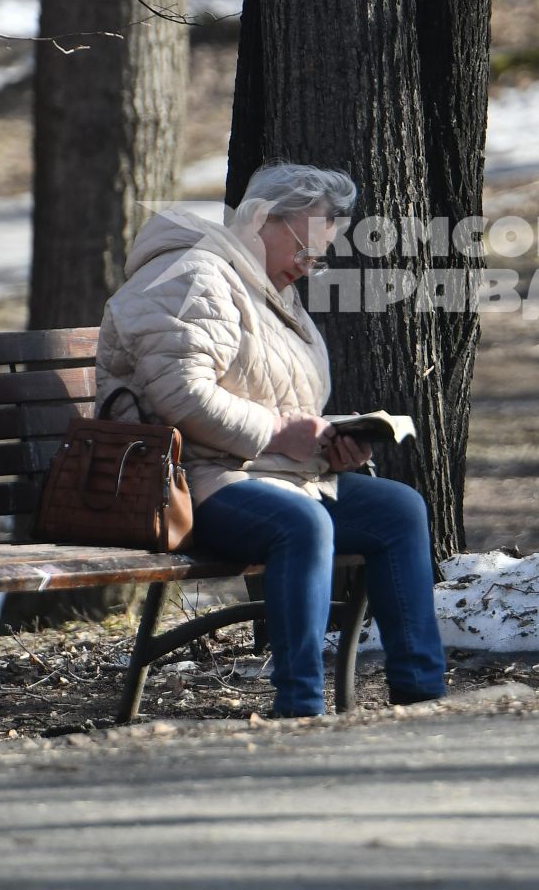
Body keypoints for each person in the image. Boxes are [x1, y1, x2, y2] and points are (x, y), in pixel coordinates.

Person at [95, 162, 447, 717]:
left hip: (268, 473)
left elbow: (273, 394)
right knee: (301, 525)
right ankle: (300, 707)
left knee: (399, 509)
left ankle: (421, 694)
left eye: (318, 258)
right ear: (262, 219)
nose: (306, 269)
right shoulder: (193, 275)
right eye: (303, 251)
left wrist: (330, 441)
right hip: (187, 482)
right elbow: (179, 394)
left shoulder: (261, 286)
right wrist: (283, 433)